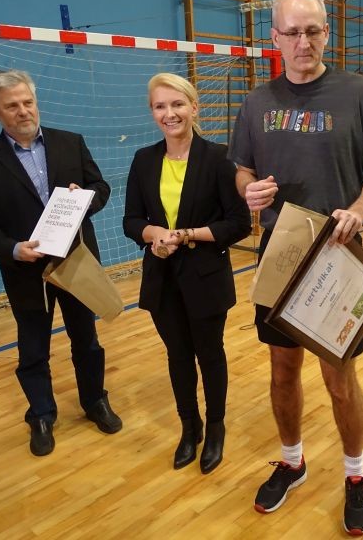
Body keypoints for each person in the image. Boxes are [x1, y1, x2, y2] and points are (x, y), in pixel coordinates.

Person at [229, 0, 363, 535]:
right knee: (282, 371)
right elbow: (242, 171)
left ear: (327, 32)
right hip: (281, 255)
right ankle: (292, 462)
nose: (304, 42)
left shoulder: (360, 93)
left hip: (339, 255)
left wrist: (360, 210)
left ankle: (356, 474)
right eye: (293, 32)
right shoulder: (256, 103)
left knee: (339, 377)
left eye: (313, 30)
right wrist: (249, 190)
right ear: (274, 37)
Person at [0, 69, 122, 457]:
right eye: (12, 106)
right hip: (25, 270)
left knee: (87, 340)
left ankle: (94, 401)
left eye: (28, 102)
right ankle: (42, 414)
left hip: (76, 262)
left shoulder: (70, 142)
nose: (23, 111)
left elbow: (101, 187)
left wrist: (84, 198)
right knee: (33, 347)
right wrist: (13, 249)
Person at [123, 73, 250, 474]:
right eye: (160, 106)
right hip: (162, 278)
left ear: (194, 107)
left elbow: (238, 223)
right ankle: (188, 427)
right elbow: (131, 220)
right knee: (177, 355)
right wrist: (154, 235)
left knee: (209, 355)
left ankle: (215, 428)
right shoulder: (144, 160)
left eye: (177, 104)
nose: (170, 113)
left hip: (205, 276)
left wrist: (188, 234)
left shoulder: (219, 158)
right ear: (152, 112)